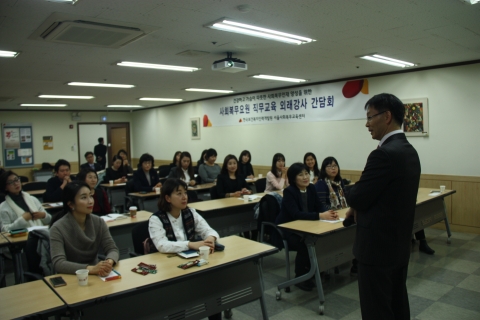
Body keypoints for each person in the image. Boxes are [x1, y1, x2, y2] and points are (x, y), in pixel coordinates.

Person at [345, 93, 421, 319]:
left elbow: (358, 197)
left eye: (370, 117)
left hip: (376, 250)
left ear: (386, 116)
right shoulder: (409, 151)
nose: (367, 124)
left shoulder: (383, 154)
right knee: (397, 304)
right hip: (398, 244)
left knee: (376, 309)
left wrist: (348, 189)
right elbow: (381, 194)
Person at [148, 178, 222, 320]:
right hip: (168, 269)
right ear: (168, 198)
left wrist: (210, 239)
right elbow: (162, 245)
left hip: (191, 264)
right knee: (179, 297)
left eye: (185, 192)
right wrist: (190, 244)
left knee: (212, 287)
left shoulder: (190, 213)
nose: (184, 197)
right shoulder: (156, 219)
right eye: (179, 193)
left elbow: (210, 230)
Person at [275, 163, 338, 291]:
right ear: (293, 178)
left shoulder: (311, 188)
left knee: (320, 239)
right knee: (305, 244)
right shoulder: (289, 192)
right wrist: (320, 216)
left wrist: (328, 213)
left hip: (307, 225)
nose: (305, 177)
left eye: (306, 174)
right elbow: (296, 214)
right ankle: (300, 276)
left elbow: (319, 205)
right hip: (289, 228)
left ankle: (314, 269)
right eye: (300, 175)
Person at [50, 181, 119, 275]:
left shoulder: (98, 222)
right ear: (71, 204)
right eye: (84, 197)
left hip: (97, 273)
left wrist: (108, 263)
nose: (90, 201)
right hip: (71, 276)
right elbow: (59, 263)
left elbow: (112, 249)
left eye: (90, 196)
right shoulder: (58, 228)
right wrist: (91, 269)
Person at [315, 157, 356, 274]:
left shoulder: (339, 182)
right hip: (329, 218)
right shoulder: (321, 184)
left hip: (341, 214)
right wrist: (333, 212)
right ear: (324, 169)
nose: (333, 169)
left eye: (335, 166)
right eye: (329, 166)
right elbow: (321, 205)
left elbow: (346, 199)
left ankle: (356, 263)